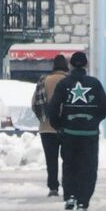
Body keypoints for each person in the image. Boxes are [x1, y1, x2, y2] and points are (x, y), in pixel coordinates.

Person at [47, 51, 106, 211]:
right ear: (86, 65)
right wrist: (94, 120)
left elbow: (53, 108)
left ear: (70, 66)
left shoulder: (64, 84)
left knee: (69, 165)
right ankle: (83, 200)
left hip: (69, 132)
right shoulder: (94, 84)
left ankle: (70, 196)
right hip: (89, 135)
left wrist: (59, 126)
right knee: (88, 167)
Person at [31, 54, 69, 197]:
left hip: (47, 128)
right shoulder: (69, 81)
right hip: (66, 126)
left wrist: (43, 118)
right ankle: (67, 184)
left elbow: (34, 103)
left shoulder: (43, 81)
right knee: (67, 158)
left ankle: (53, 187)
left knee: (51, 159)